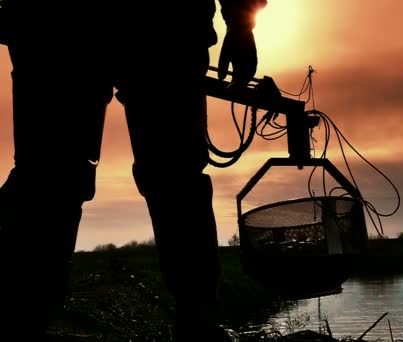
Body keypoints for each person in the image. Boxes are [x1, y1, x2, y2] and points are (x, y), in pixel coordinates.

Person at [0, 0, 267, 340]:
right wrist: (241, 23)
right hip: (143, 26)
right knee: (57, 178)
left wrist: (242, 21)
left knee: (54, 178)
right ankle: (22, 316)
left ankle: (22, 316)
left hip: (64, 25)